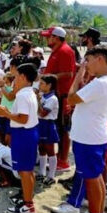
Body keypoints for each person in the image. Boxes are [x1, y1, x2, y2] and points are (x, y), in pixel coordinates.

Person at [48, 46, 107, 213]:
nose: (86, 64)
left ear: (100, 59)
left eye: (89, 60)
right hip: (95, 135)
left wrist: (78, 75)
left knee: (92, 178)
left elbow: (70, 98)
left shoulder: (99, 83)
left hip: (89, 137)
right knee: (96, 177)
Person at [0, 63, 40, 213]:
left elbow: (23, 118)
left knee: (24, 171)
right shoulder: (29, 92)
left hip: (23, 134)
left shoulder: (23, 95)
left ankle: (28, 204)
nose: (15, 79)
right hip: (28, 133)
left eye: (17, 76)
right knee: (28, 171)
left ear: (24, 77)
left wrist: (6, 113)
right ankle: (27, 199)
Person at [41, 27, 76, 172]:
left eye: (49, 37)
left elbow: (68, 73)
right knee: (58, 127)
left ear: (55, 37)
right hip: (55, 93)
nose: (47, 39)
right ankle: (58, 157)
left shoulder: (65, 51)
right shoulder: (58, 50)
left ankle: (63, 160)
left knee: (63, 129)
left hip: (62, 95)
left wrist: (49, 78)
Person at [36, 74, 60, 187]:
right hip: (40, 124)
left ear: (49, 85)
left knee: (50, 150)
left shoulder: (53, 98)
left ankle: (51, 176)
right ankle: (41, 172)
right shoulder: (43, 95)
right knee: (41, 148)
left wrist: (37, 100)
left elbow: (43, 113)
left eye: (42, 83)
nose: (39, 85)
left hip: (48, 124)